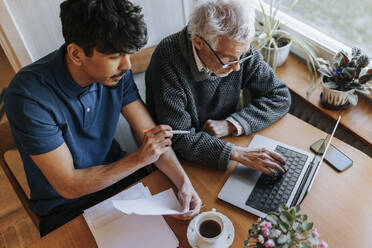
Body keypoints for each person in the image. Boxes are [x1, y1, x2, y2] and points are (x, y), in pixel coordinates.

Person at [4, 0, 201, 236]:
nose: (127, 66)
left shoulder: (116, 75)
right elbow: (68, 184)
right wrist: (139, 158)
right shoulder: (28, 96)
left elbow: (150, 135)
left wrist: (183, 182)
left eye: (129, 53)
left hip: (121, 180)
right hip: (66, 207)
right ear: (76, 54)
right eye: (116, 55)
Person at [146, 0, 290, 176]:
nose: (237, 67)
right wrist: (234, 152)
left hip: (224, 142)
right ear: (199, 43)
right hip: (176, 162)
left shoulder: (237, 49)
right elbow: (179, 138)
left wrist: (232, 124)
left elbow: (279, 95)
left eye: (242, 56)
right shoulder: (167, 60)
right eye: (228, 58)